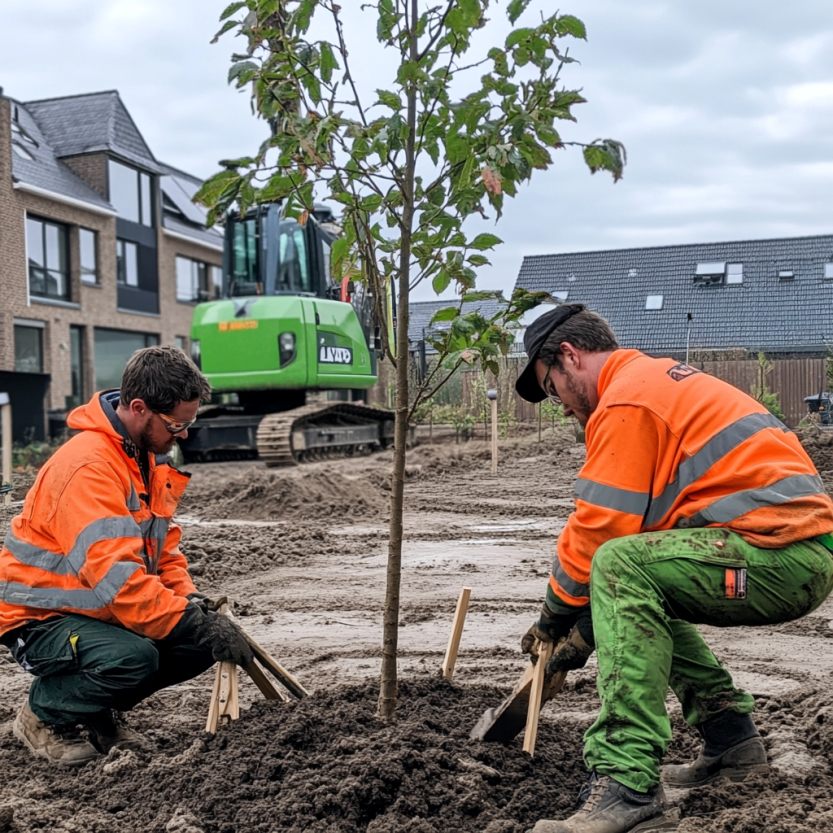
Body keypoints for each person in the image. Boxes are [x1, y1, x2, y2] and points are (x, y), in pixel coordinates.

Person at [515, 304, 833, 833]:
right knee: (640, 578)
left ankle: (626, 783)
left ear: (570, 357)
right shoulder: (652, 382)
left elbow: (600, 532)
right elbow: (650, 546)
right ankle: (730, 739)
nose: (562, 407)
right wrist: (589, 625)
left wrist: (552, 618)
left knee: (617, 564)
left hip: (780, 555)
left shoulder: (627, 401)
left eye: (553, 390)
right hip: (789, 550)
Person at [0, 346, 253, 766]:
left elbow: (162, 550)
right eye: (177, 424)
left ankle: (94, 710)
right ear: (138, 408)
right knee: (134, 658)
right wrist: (190, 622)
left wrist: (189, 602)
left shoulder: (141, 458)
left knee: (193, 644)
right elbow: (118, 581)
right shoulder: (89, 468)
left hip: (94, 609)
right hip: (39, 617)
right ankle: (42, 714)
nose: (184, 434)